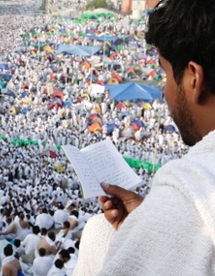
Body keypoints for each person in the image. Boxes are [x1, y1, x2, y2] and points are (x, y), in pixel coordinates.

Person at [74, 0, 215, 274]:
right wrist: (149, 221)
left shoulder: (193, 192)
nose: (164, 91)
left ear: (194, 78)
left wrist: (163, 215)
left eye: (165, 73)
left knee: (97, 233)